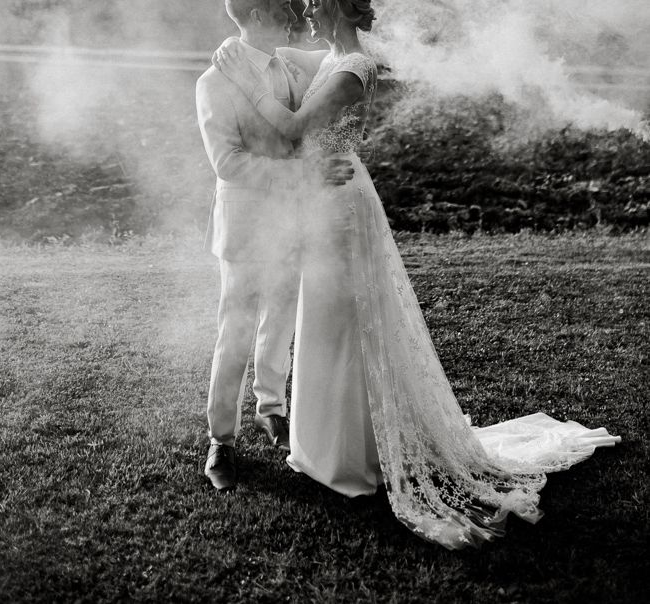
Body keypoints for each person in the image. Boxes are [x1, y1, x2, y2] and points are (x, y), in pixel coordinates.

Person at [214, 0, 621, 550]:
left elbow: (291, 124)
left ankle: (348, 455)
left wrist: (239, 67)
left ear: (335, 7)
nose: (305, 11)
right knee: (326, 322)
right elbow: (268, 46)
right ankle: (332, 444)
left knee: (339, 321)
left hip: (339, 199)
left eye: (314, 4)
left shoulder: (353, 69)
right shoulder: (327, 55)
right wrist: (238, 48)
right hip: (320, 195)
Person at [196, 0, 355, 492]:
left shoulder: (288, 64)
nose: (293, 15)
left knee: (282, 318)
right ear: (259, 14)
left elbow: (345, 54)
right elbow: (229, 163)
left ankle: (272, 409)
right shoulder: (214, 82)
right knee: (236, 334)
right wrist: (306, 173)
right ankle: (221, 439)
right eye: (284, 7)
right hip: (246, 225)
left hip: (293, 221)